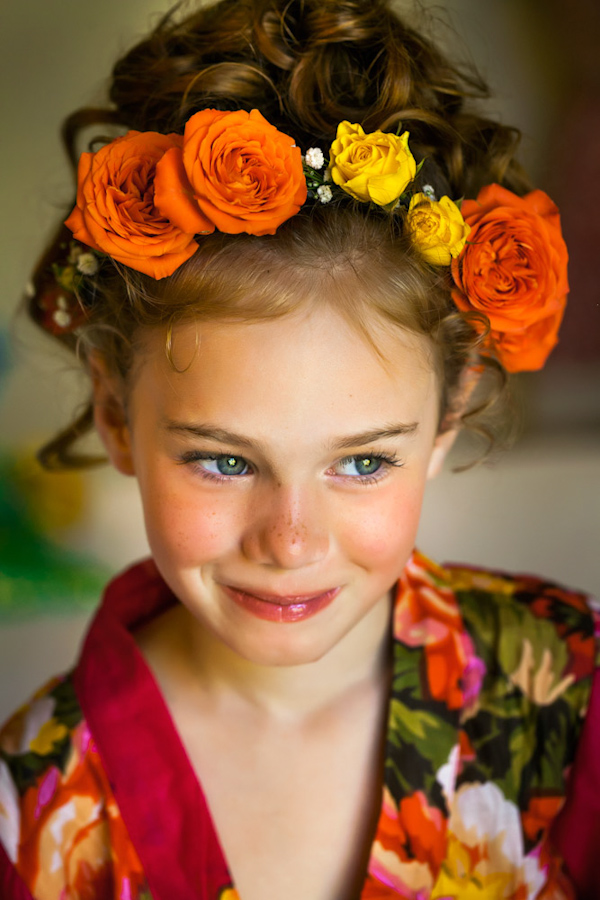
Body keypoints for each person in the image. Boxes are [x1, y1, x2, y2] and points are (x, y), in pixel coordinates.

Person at [0, 0, 598, 897]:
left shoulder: (576, 699)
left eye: (361, 462)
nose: (289, 541)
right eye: (225, 460)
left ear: (447, 416)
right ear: (118, 413)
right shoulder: (29, 802)